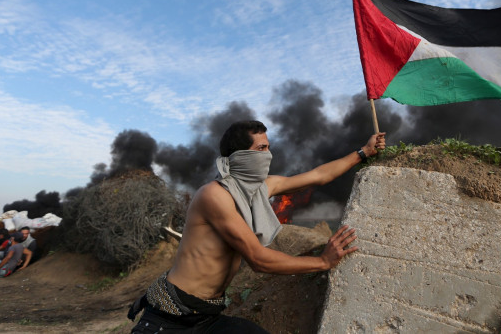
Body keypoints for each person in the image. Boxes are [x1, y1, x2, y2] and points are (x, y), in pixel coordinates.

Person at [129, 120, 386, 333]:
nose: (268, 155)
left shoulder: (261, 188)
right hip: (171, 317)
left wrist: (363, 152)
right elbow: (258, 259)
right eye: (261, 148)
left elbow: (318, 176)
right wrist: (323, 262)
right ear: (241, 156)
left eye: (269, 148)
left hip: (207, 314)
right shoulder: (214, 195)